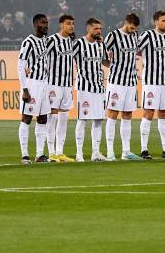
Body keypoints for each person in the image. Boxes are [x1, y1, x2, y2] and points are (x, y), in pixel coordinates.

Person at [137, 11, 165, 159]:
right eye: (163, 20)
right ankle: (143, 150)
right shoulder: (147, 35)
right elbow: (136, 48)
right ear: (156, 22)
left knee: (164, 113)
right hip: (151, 82)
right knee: (148, 113)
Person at [103, 13, 142, 161]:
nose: (133, 30)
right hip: (116, 82)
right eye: (131, 27)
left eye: (135, 29)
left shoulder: (135, 35)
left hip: (131, 81)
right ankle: (110, 152)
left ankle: (126, 152)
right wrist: (112, 66)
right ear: (126, 23)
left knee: (127, 115)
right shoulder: (113, 35)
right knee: (112, 114)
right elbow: (102, 53)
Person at [73, 18, 110, 162]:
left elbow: (105, 62)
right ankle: (79, 154)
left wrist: (111, 60)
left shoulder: (101, 45)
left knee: (98, 120)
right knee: (83, 119)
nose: (99, 31)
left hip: (99, 87)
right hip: (84, 87)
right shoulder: (79, 44)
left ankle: (96, 153)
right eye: (96, 29)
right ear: (88, 29)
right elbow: (68, 58)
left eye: (100, 29)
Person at [18, 14, 51, 164]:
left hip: (44, 84)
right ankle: (25, 155)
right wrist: (25, 89)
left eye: (47, 23)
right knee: (27, 118)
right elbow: (20, 66)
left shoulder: (45, 40)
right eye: (43, 23)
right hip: (31, 84)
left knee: (43, 118)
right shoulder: (28, 42)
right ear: (36, 24)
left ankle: (40, 154)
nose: (46, 25)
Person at [45, 14, 76, 163]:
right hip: (53, 85)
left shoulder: (71, 41)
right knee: (52, 117)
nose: (71, 26)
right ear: (61, 25)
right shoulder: (52, 40)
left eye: (73, 24)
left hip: (67, 85)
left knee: (64, 118)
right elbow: (41, 56)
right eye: (68, 24)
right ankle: (51, 153)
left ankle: (60, 152)